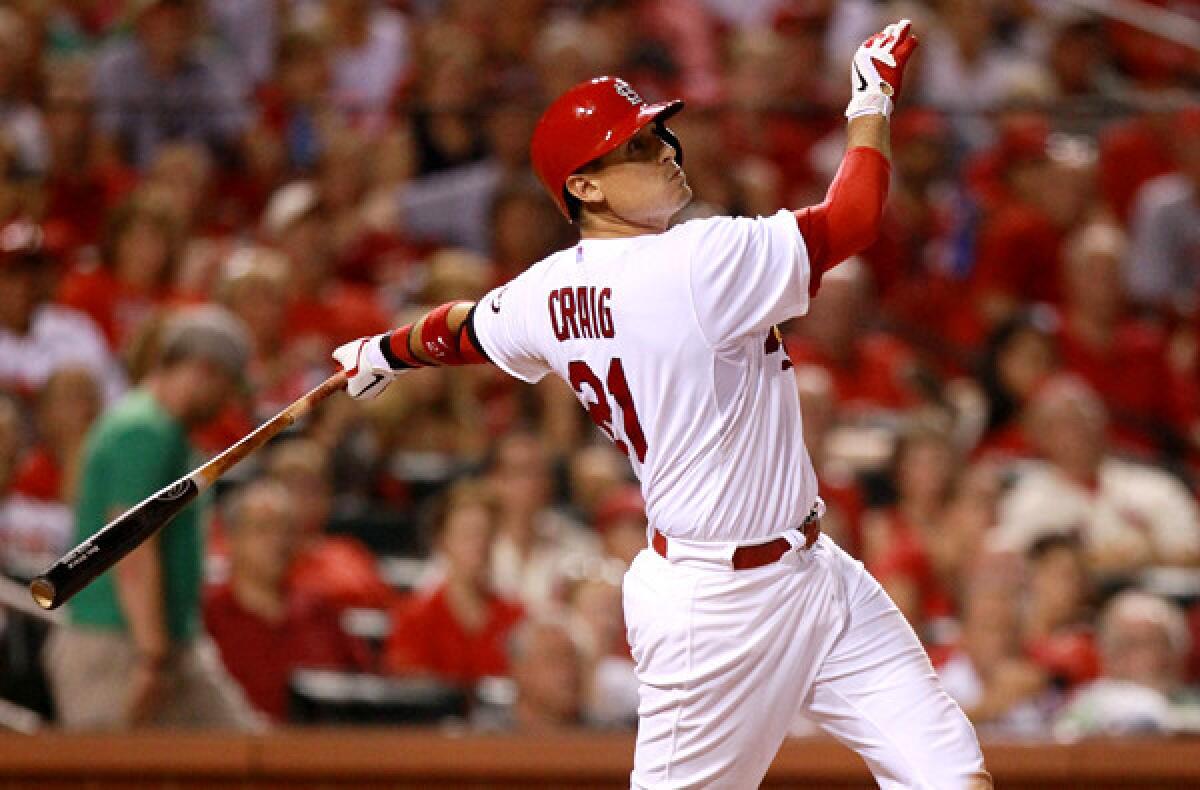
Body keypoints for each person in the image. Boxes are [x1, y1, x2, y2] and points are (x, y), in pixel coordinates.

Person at [334, 20, 990, 789]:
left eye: (658, 135)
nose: (667, 152)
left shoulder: (546, 289)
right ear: (584, 186)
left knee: (952, 779)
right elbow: (853, 218)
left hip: (818, 574)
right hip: (714, 607)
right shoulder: (695, 260)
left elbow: (463, 329)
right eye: (638, 147)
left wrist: (384, 351)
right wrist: (870, 98)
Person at [43, 306, 259, 731]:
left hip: (168, 646)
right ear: (203, 370)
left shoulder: (161, 429)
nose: (228, 401)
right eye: (226, 385)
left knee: (248, 758)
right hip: (118, 646)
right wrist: (151, 658)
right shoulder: (142, 429)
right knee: (112, 776)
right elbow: (128, 550)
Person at [204, 479, 368, 722]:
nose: (277, 541)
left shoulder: (322, 611)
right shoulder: (206, 615)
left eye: (286, 530)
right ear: (231, 538)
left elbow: (362, 692)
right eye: (263, 529)